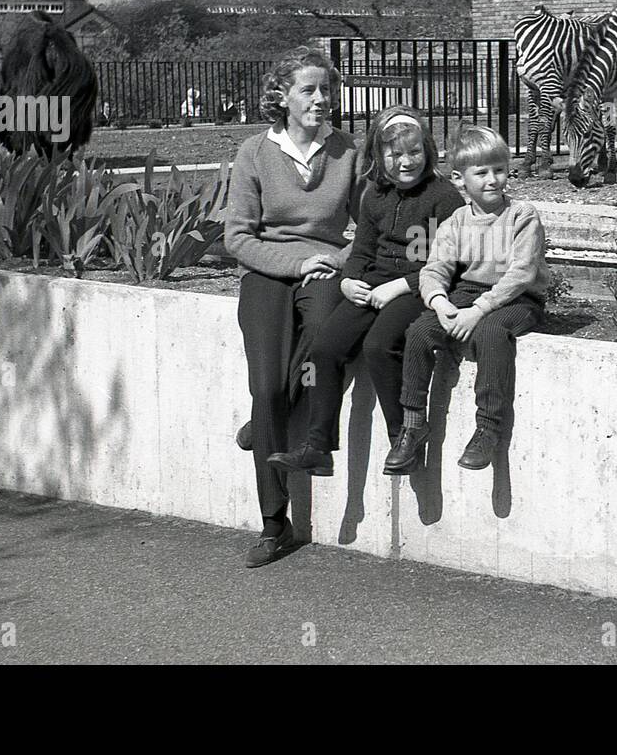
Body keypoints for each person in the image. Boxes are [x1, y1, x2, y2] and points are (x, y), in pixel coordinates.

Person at [267, 106, 464, 477]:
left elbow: (447, 263)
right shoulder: (374, 196)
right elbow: (361, 250)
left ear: (428, 151)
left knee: (378, 346)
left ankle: (404, 436)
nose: (405, 162)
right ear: (378, 155)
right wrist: (347, 280)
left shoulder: (443, 197)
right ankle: (319, 446)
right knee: (324, 348)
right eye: (395, 154)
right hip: (371, 286)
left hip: (418, 288)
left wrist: (398, 287)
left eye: (414, 152)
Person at [224, 45, 364, 568]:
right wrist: (294, 265)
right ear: (282, 96)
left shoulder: (347, 151)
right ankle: (273, 524)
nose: (321, 99)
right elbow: (237, 238)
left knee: (327, 331)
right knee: (263, 387)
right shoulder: (254, 154)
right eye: (309, 89)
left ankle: (266, 420)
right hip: (267, 272)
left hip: (325, 270)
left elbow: (367, 228)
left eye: (326, 89)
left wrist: (336, 259)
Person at [391, 125, 552, 472]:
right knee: (419, 332)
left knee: (490, 333)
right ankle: (413, 425)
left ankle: (489, 429)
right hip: (467, 294)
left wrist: (477, 311)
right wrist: (441, 303)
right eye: (481, 172)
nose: (493, 179)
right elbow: (434, 270)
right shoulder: (455, 222)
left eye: (499, 169)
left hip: (518, 299)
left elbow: (521, 274)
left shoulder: (522, 215)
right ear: (459, 178)